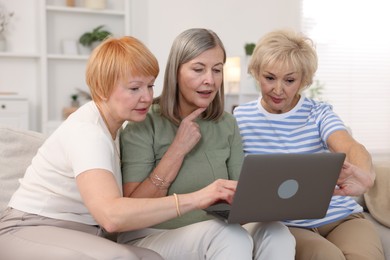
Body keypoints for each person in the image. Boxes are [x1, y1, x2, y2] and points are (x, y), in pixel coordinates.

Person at [0, 36, 246, 260]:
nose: (147, 98)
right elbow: (112, 217)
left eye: (150, 86)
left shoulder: (115, 129)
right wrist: (199, 197)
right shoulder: (88, 132)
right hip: (29, 228)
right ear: (102, 89)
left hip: (80, 233)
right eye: (134, 88)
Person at [119, 28, 295, 260]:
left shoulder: (227, 124)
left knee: (278, 232)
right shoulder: (144, 122)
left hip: (215, 230)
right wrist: (178, 149)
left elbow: (241, 201)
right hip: (153, 234)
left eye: (217, 70)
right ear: (176, 72)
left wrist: (273, 198)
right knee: (230, 236)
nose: (209, 80)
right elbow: (132, 209)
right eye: (198, 69)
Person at [233, 29, 385, 260]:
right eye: (269, 77)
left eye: (290, 80)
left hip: (341, 218)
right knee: (327, 256)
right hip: (286, 225)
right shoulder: (240, 119)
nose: (278, 89)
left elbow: (349, 146)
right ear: (256, 73)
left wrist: (365, 174)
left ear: (304, 80)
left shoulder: (318, 112)